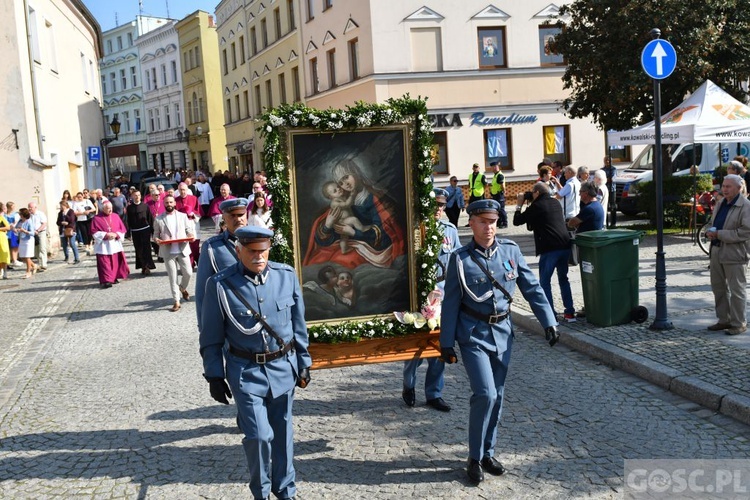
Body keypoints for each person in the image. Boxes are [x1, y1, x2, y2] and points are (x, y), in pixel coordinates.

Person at [440, 199, 558, 484]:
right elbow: (451, 303)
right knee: (486, 394)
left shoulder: (511, 251)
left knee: (499, 395)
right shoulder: (460, 258)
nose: (488, 227)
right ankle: (473, 456)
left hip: (503, 333)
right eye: (482, 221)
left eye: (492, 221)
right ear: (471, 223)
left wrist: (549, 321)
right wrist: (445, 342)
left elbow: (531, 288)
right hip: (472, 335)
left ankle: (487, 453)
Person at [199, 225, 312, 500]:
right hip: (245, 371)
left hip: (283, 367)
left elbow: (299, 324)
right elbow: (211, 335)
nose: (259, 257)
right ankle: (261, 493)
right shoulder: (221, 285)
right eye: (252, 251)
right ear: (239, 250)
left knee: (283, 434)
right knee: (259, 436)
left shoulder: (285, 276)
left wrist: (304, 360)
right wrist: (214, 375)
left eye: (263, 251)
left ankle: (285, 489)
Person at [402, 188, 459, 412]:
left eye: (442, 205)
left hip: (443, 291)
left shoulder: (450, 230)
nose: (439, 209)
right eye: (435, 205)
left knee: (439, 344)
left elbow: (457, 261)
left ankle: (434, 393)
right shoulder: (415, 228)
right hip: (418, 293)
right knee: (415, 346)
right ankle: (409, 385)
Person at [304, 158, 405, 269]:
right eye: (340, 183)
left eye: (346, 177)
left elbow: (384, 234)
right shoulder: (343, 199)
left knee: (343, 261)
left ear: (355, 171)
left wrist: (353, 232)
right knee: (320, 260)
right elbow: (323, 240)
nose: (345, 184)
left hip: (376, 249)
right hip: (354, 244)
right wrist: (328, 226)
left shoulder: (374, 198)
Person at [514, 182, 575, 322]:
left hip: (550, 248)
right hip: (565, 245)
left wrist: (519, 204)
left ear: (536, 193)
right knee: (563, 279)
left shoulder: (537, 206)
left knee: (545, 282)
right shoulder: (555, 202)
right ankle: (570, 313)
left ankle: (551, 315)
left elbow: (517, 221)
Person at [706, 174, 750, 335]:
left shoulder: (745, 206)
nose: (724, 189)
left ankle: (738, 323)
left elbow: (745, 232)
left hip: (735, 253)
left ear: (739, 188)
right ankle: (723, 319)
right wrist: (709, 232)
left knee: (736, 289)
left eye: (728, 186)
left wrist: (720, 234)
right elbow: (713, 224)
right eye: (723, 186)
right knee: (718, 287)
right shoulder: (720, 203)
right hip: (717, 250)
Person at [195, 198, 249, 328]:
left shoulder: (259, 242)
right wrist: (204, 327)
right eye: (232, 215)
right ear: (224, 217)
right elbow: (203, 289)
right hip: (229, 316)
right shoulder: (212, 247)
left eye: (241, 215)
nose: (238, 219)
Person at [153, 195, 195, 312]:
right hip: (168, 251)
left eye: (171, 202)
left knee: (188, 272)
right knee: (173, 277)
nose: (169, 204)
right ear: (163, 204)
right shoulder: (159, 219)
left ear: (175, 203)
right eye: (167, 202)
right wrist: (157, 240)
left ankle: (182, 288)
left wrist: (190, 235)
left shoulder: (182, 216)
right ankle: (176, 301)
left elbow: (189, 231)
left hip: (182, 249)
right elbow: (155, 235)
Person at [90, 200, 130, 288]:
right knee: (105, 263)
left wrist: (116, 234)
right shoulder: (96, 218)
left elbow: (122, 229)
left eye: (111, 208)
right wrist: (106, 235)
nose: (110, 210)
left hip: (114, 243)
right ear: (103, 209)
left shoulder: (115, 216)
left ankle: (114, 277)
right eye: (108, 208)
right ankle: (106, 280)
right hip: (103, 245)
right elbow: (94, 232)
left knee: (115, 261)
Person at [126, 190, 156, 275]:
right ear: (132, 196)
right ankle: (143, 266)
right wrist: (128, 233)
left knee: (147, 249)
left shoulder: (145, 206)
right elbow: (128, 221)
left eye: (138, 195)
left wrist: (153, 231)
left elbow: (150, 218)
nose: (137, 197)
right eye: (135, 195)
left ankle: (147, 266)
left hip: (145, 229)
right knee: (139, 250)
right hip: (135, 231)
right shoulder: (129, 208)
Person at [175, 182, 202, 268]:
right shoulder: (175, 200)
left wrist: (193, 214)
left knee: (195, 245)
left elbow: (199, 211)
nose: (182, 191)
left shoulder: (194, 198)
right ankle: (189, 263)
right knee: (186, 246)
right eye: (180, 190)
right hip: (181, 226)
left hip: (192, 224)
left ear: (187, 190)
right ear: (178, 190)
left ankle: (198, 261)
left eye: (184, 190)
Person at [56, 200, 80, 264]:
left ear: (65, 205)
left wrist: (65, 215)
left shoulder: (71, 211)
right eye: (60, 206)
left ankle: (77, 258)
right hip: (63, 230)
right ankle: (66, 257)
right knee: (64, 245)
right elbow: (57, 222)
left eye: (62, 206)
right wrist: (61, 222)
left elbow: (72, 220)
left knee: (72, 243)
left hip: (70, 229)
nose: (61, 207)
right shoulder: (60, 213)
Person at [28, 201, 48, 271]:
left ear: (35, 207)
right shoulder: (29, 216)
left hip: (41, 232)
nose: (30, 209)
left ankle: (44, 264)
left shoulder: (40, 214)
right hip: (33, 234)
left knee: (42, 248)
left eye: (31, 207)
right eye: (29, 207)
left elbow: (44, 223)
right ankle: (39, 264)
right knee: (36, 249)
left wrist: (38, 230)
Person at [16, 208, 36, 278]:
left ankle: (28, 272)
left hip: (28, 240)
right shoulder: (20, 221)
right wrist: (15, 229)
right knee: (23, 256)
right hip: (22, 239)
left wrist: (24, 231)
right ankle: (34, 265)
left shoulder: (29, 221)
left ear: (23, 214)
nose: (19, 215)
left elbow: (32, 233)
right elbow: (17, 228)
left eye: (20, 213)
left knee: (27, 256)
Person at [489, 162, 507, 228]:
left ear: (497, 167)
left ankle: (505, 223)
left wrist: (503, 191)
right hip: (495, 195)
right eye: (492, 167)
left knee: (501, 209)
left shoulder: (499, 175)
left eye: (495, 167)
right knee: (497, 209)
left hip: (499, 194)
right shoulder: (495, 175)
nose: (493, 168)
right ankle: (500, 222)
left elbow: (502, 185)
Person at [5, 201, 20, 268]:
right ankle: (8, 262)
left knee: (14, 246)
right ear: (9, 207)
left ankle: (14, 260)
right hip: (7, 232)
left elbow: (16, 222)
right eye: (12, 206)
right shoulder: (5, 215)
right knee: (7, 247)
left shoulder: (15, 214)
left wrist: (12, 225)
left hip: (13, 231)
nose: (14, 207)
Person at [0, 203, 10, 279]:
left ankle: (5, 272)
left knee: (3, 254)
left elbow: (8, 227)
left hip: (2, 238)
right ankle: (1, 272)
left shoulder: (1, 218)